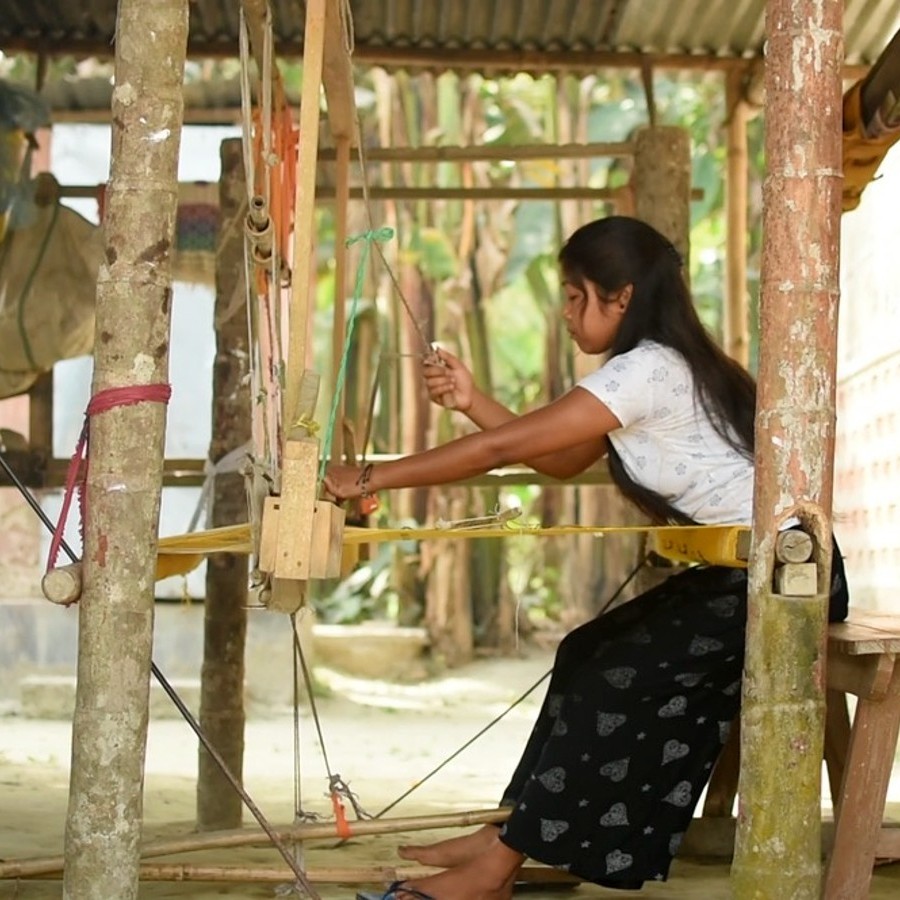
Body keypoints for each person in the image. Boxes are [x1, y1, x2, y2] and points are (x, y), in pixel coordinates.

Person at [324, 215, 849, 900]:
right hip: (743, 576)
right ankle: (510, 835)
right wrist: (472, 400)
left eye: (577, 297)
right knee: (584, 652)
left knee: (611, 678)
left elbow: (502, 451)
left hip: (783, 582)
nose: (567, 314)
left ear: (621, 297)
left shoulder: (648, 370)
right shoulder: (658, 367)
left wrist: (368, 477)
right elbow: (564, 459)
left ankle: (497, 867)